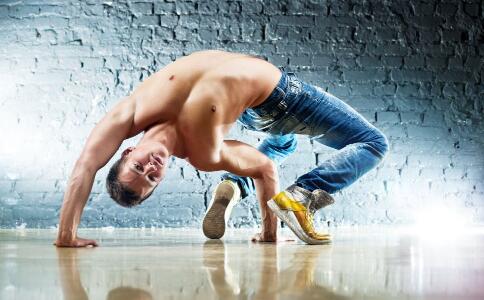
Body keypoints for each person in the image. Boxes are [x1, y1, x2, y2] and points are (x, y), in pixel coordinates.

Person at [54, 50, 388, 247]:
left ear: (127, 152)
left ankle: (233, 184)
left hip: (254, 113)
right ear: (163, 177)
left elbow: (85, 165)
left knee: (283, 141)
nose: (151, 166)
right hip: (283, 98)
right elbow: (264, 169)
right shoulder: (204, 153)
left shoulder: (131, 112)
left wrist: (66, 234)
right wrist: (270, 234)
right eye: (153, 178)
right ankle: (304, 194)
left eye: (139, 167)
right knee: (374, 143)